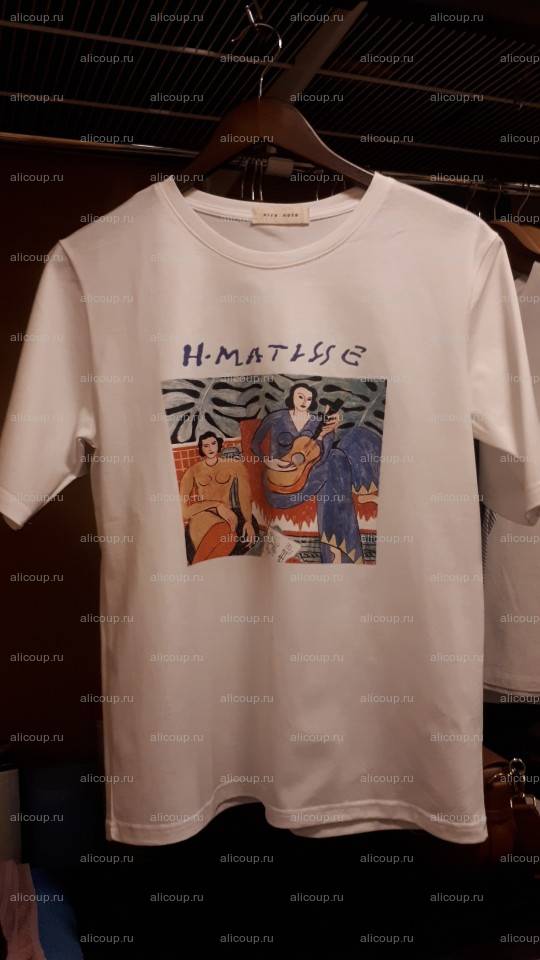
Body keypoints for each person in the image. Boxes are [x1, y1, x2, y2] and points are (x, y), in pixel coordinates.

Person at [251, 383, 381, 563]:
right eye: (300, 396)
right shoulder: (277, 417)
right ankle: (338, 550)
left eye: (309, 398)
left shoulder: (316, 420)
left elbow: (323, 454)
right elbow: (255, 443)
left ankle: (366, 489)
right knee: (336, 458)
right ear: (292, 396)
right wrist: (268, 460)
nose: (304, 401)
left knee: (358, 436)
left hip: (312, 473)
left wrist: (327, 433)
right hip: (281, 482)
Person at [179, 431, 256, 563]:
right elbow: (184, 512)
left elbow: (245, 496)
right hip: (204, 514)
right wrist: (216, 505)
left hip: (230, 513)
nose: (210, 448)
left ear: (219, 444)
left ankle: (199, 567)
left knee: (231, 537)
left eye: (213, 443)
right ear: (201, 448)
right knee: (224, 533)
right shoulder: (192, 471)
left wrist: (248, 521)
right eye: (206, 445)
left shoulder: (235, 466)